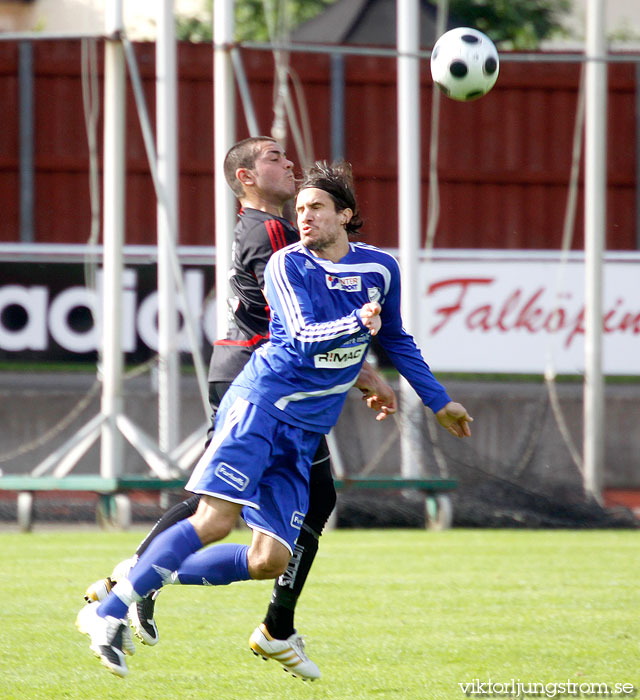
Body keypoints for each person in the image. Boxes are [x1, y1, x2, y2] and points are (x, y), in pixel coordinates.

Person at [76, 159, 473, 680]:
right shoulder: (288, 264)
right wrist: (356, 323)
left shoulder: (380, 268)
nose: (304, 217)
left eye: (316, 208)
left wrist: (438, 400)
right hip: (259, 408)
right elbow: (301, 336)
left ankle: (144, 574)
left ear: (344, 215)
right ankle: (105, 615)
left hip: (306, 429)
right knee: (215, 520)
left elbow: (395, 337)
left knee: (269, 560)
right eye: (301, 207)